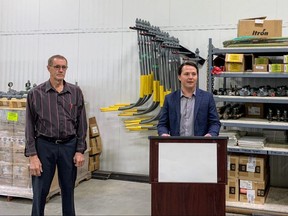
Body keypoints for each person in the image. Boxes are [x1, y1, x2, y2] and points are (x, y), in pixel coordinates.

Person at [25, 54, 87, 216]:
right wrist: (32, 155)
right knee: (40, 191)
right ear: (48, 68)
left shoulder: (75, 92)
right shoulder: (36, 93)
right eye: (57, 67)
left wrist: (80, 150)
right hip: (44, 146)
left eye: (64, 67)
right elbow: (29, 126)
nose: (60, 70)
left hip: (69, 146)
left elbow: (81, 123)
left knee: (68, 190)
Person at [157, 61, 221, 137]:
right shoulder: (169, 99)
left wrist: (211, 134)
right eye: (186, 74)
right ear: (179, 77)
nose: (190, 77)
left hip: (200, 145)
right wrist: (164, 133)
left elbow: (215, 123)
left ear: (197, 76)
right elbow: (162, 124)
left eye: (194, 74)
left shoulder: (207, 98)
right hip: (176, 144)